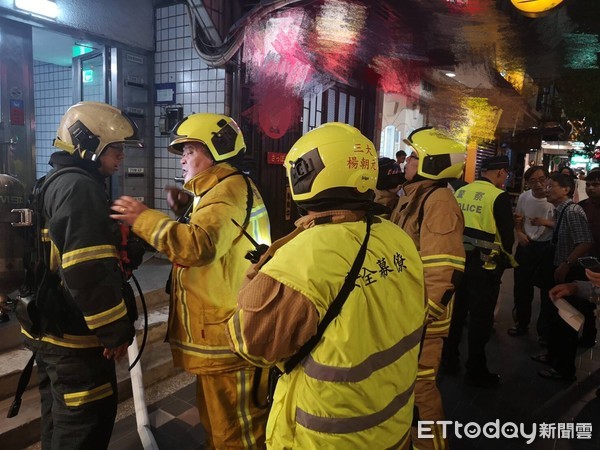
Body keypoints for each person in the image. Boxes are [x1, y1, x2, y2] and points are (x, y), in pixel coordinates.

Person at [227, 122, 426, 449]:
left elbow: (250, 343)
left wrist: (257, 279)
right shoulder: (398, 238)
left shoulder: (300, 260)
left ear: (305, 175)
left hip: (329, 435)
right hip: (393, 423)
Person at [110, 113, 271, 449]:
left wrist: (143, 218)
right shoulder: (223, 188)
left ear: (216, 151)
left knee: (235, 431)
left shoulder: (226, 192)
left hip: (228, 337)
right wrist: (186, 208)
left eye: (190, 150)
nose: (182, 158)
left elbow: (200, 246)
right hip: (223, 331)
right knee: (219, 423)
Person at [23, 102, 141, 449]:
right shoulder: (79, 188)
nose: (120, 156)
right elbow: (86, 268)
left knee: (58, 425)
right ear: (88, 143)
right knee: (82, 431)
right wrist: (114, 331)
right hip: (75, 344)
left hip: (50, 332)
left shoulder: (55, 182)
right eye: (115, 148)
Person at [390, 126, 466, 450]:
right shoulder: (416, 195)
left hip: (423, 320)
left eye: (414, 157)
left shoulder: (439, 202)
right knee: (407, 388)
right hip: (407, 312)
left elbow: (441, 271)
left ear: (431, 164)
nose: (406, 162)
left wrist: (423, 319)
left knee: (421, 391)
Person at [442, 155, 516, 387]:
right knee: (480, 320)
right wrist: (504, 264)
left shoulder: (461, 191)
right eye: (507, 174)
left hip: (459, 264)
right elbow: (506, 237)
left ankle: (449, 361)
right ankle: (475, 369)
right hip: (485, 269)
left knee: (456, 316)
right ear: (501, 173)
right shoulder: (499, 196)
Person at [532, 173, 593, 381]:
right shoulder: (561, 210)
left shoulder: (573, 211)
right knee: (554, 317)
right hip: (558, 267)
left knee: (566, 321)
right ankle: (552, 356)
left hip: (568, 272)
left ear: (566, 190)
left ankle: (564, 368)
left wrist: (566, 265)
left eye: (551, 186)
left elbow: (585, 242)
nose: (546, 189)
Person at [508, 166, 554, 339]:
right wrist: (519, 232)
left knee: (546, 291)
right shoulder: (524, 197)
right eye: (533, 181)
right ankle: (521, 322)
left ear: (548, 179)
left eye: (542, 179)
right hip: (526, 246)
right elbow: (518, 218)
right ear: (527, 183)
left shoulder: (555, 199)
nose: (539, 184)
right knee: (521, 287)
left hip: (547, 247)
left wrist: (545, 222)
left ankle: (544, 331)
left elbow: (562, 225)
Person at [576, 168, 600, 346]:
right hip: (582, 259)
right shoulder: (582, 206)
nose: (591, 188)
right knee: (582, 302)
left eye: (596, 185)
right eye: (589, 184)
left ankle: (589, 336)